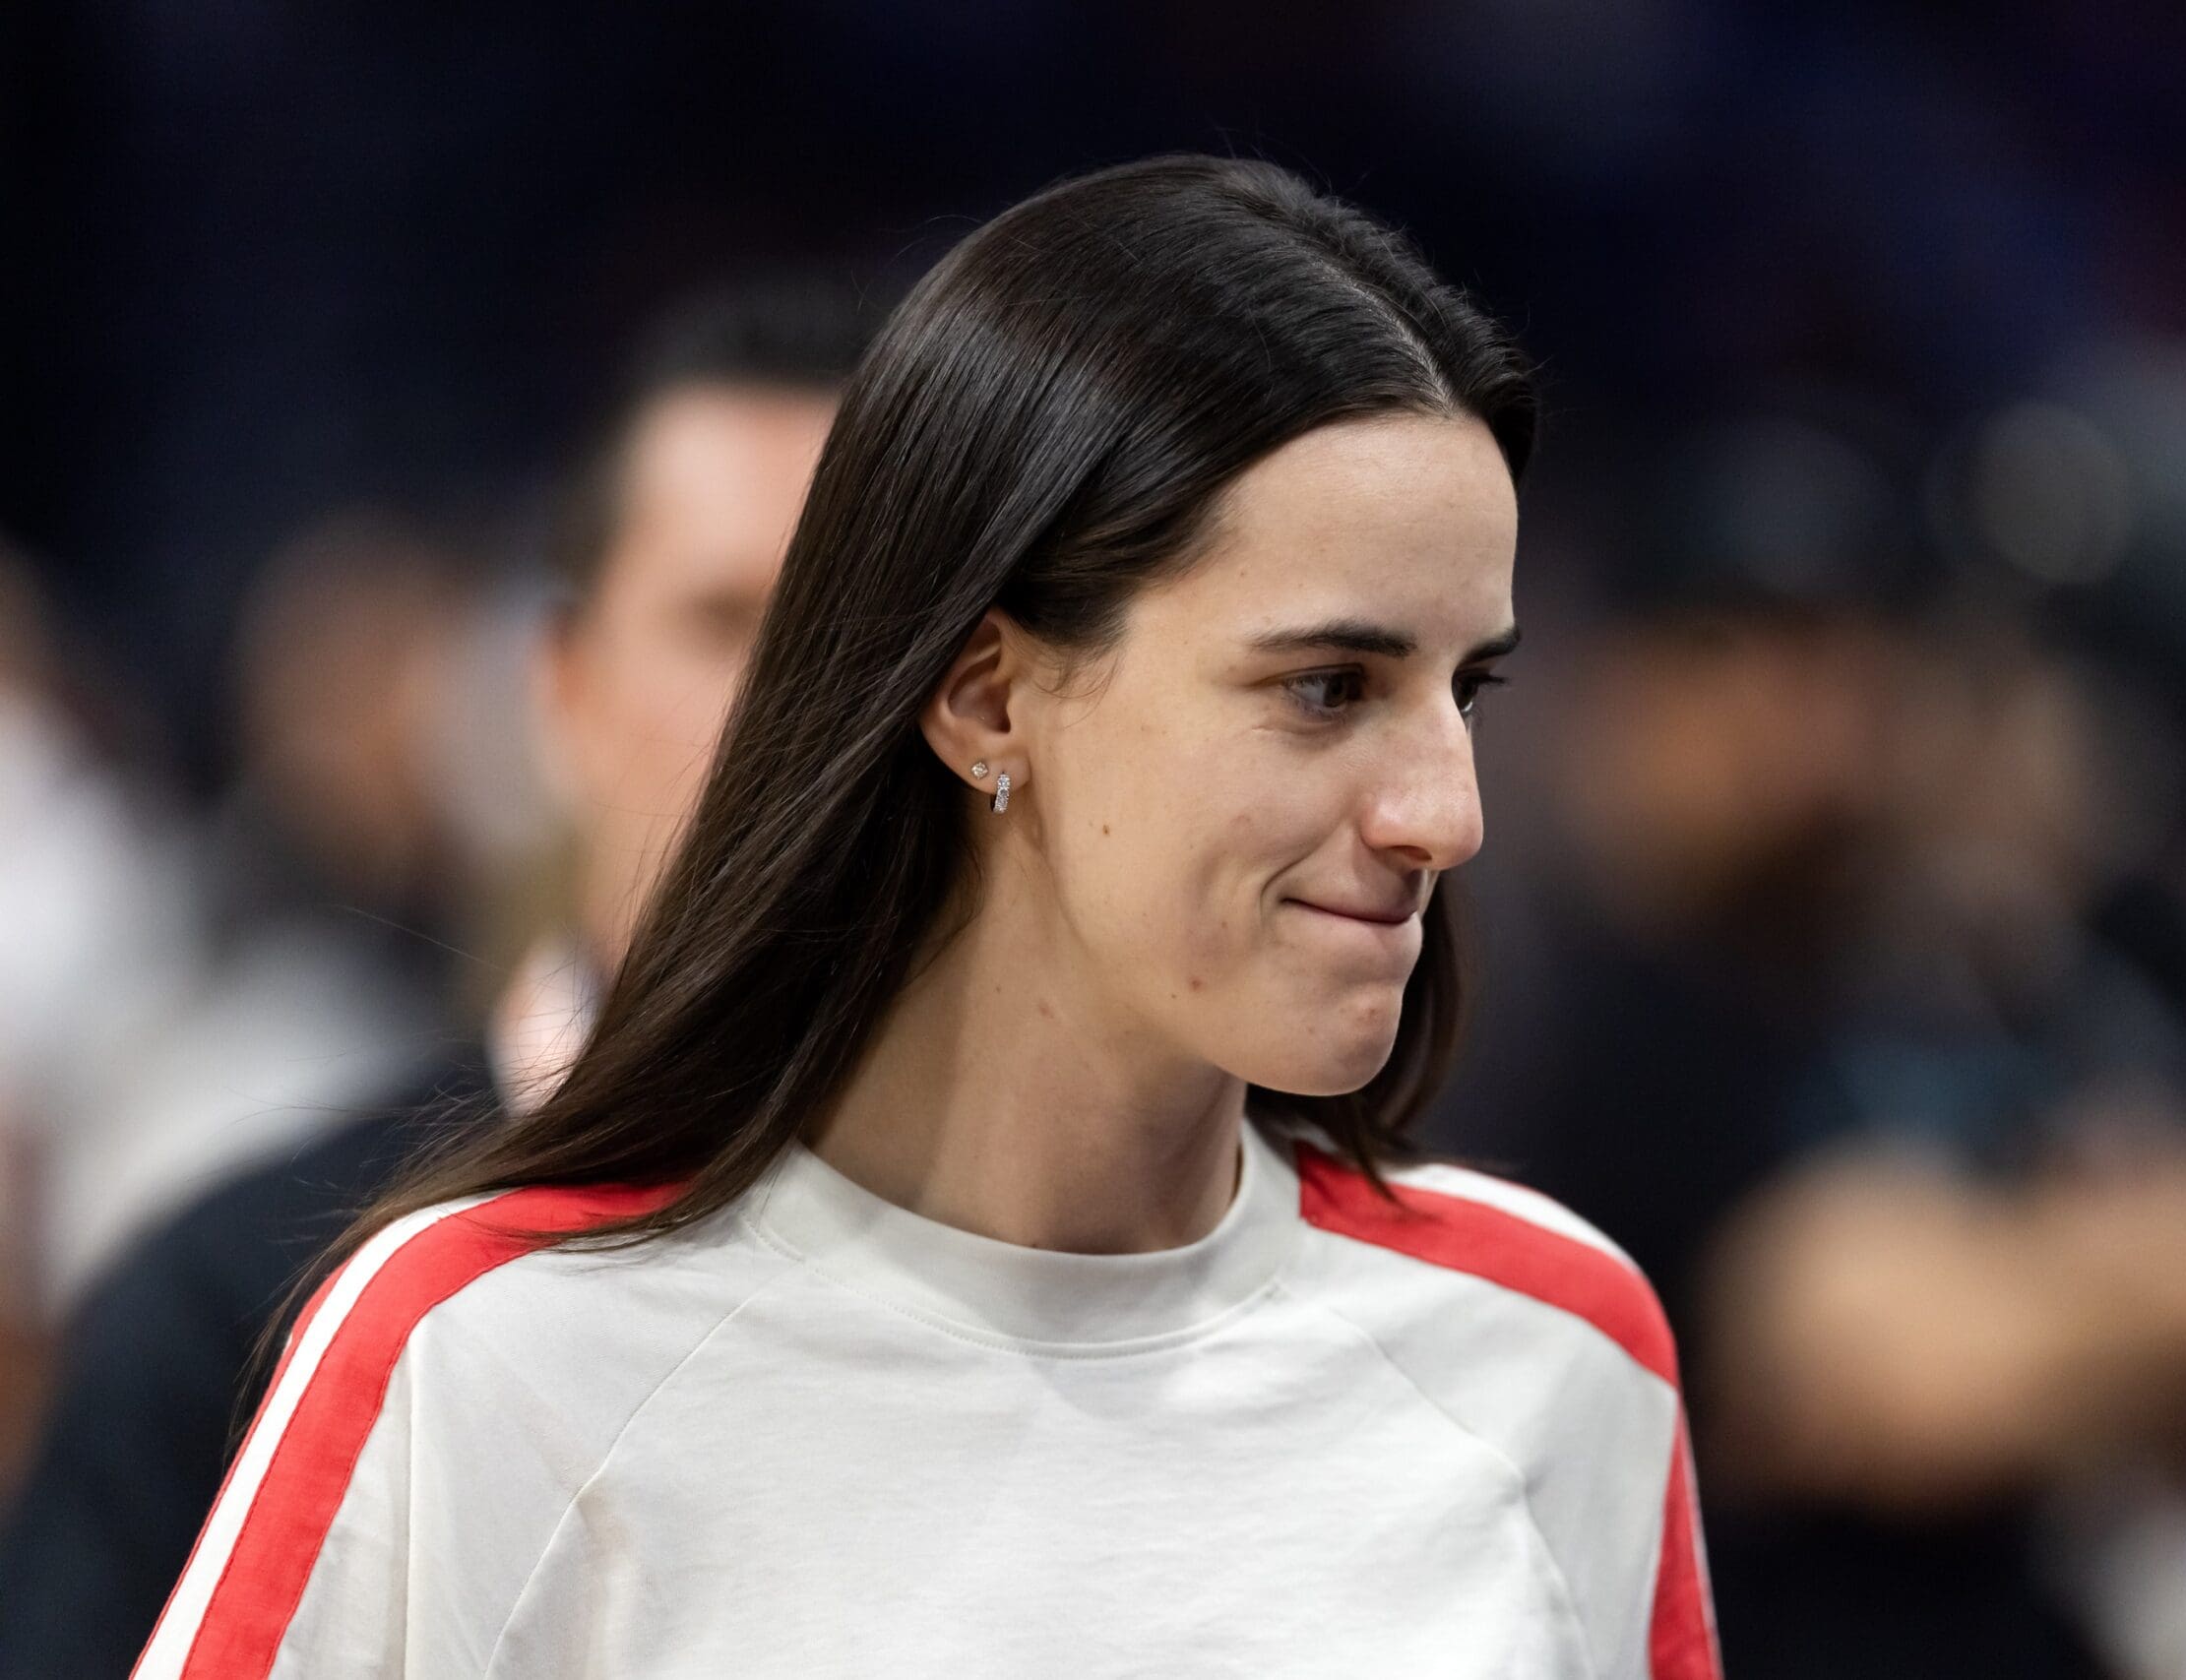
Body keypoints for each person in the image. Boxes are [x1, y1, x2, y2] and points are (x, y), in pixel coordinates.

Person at [136, 156, 1721, 1679]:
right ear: (985, 698)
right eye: (1326, 687)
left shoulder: (1555, 1355)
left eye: (1467, 689)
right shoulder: (486, 1357)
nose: (1448, 814)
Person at [0, 280, 858, 1679]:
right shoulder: (241, 1315)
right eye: (723, 624)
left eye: (865, 633)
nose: (798, 709)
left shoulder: (1096, 1271)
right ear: (561, 691)